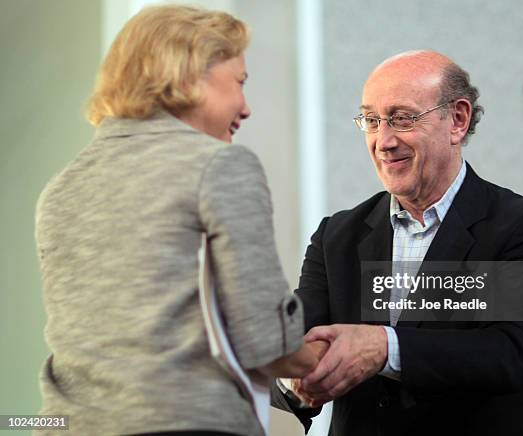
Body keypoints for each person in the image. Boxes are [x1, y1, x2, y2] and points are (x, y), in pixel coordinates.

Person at [34, 6, 326, 436]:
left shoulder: (61, 187)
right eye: (240, 83)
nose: (245, 108)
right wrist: (327, 356)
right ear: (189, 75)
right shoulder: (220, 166)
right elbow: (263, 339)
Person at [271, 50, 523, 436]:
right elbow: (299, 348)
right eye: (372, 121)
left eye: (401, 118)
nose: (383, 141)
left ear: (458, 120)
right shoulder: (337, 235)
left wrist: (384, 347)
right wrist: (297, 379)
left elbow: (514, 354)